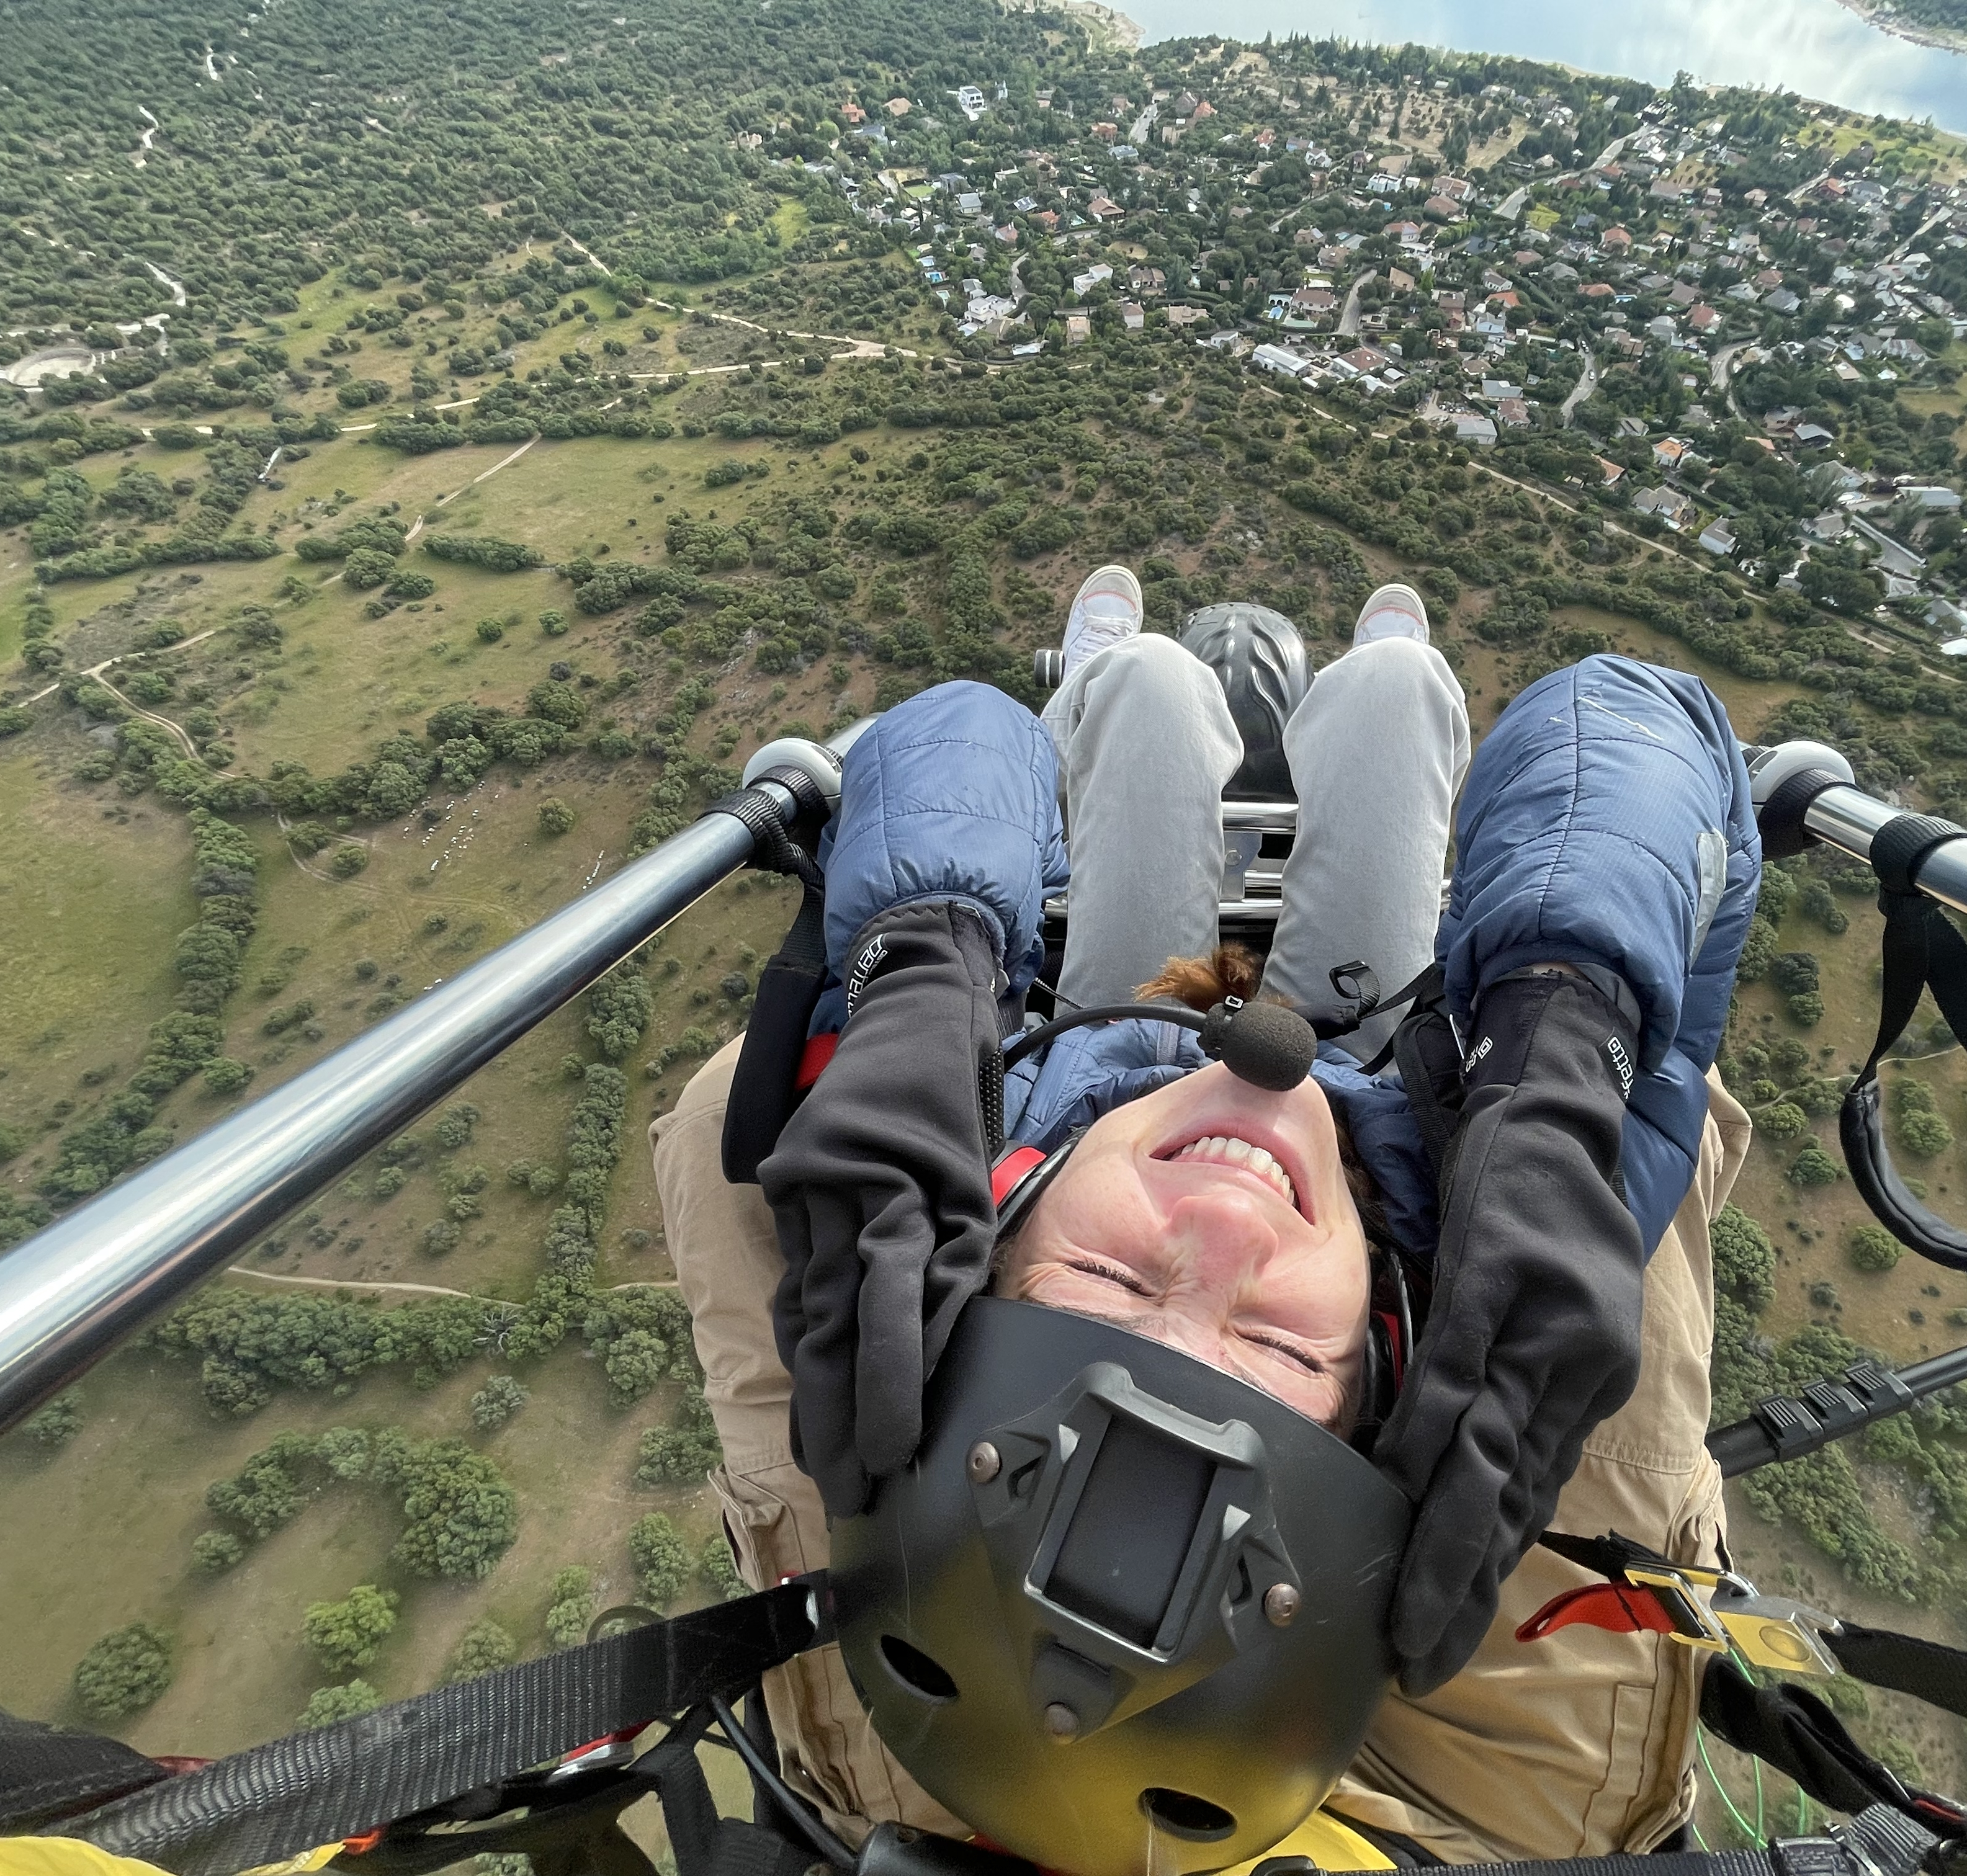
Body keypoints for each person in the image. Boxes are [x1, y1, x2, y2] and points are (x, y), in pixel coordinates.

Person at [650, 566, 1760, 1865]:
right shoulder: (1497, 1230)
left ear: (1002, 1220)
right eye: (1286, 1350)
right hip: (1391, 1097)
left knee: (1153, 701)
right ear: (1389, 1351)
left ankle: (1115, 688)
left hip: (1111, 1062)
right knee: (1396, 705)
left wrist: (925, 962)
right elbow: (1630, 721)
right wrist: (1566, 1033)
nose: (1228, 1230)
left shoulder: (995, 1146)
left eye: (1112, 1284)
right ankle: (1382, 698)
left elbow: (954, 732)